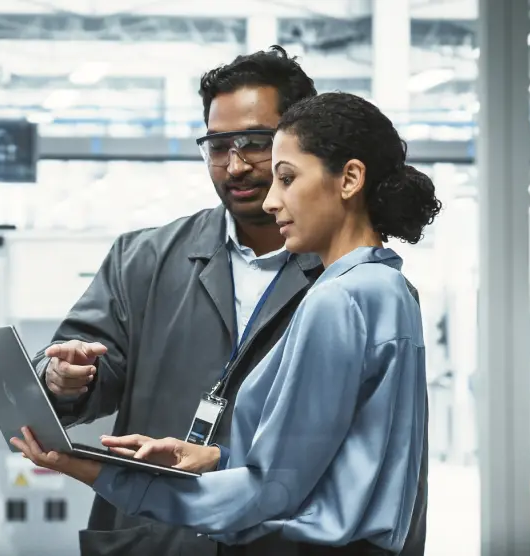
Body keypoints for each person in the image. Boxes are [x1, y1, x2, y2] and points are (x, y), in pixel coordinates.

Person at [14, 91, 440, 556]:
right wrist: (218, 458)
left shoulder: (336, 299)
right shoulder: (388, 287)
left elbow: (264, 496)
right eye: (218, 147)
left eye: (286, 177)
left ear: (350, 178)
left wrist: (92, 469)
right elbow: (343, 465)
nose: (273, 200)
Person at [28, 46, 329, 556]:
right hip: (156, 537)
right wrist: (65, 379)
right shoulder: (141, 259)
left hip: (284, 538)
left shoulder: (344, 277)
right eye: (217, 145)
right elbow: (73, 364)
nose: (235, 166)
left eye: (256, 143)